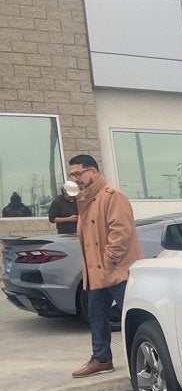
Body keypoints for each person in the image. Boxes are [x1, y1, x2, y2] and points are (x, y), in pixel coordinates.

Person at [67, 154, 143, 378]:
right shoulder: (86, 200)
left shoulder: (112, 196)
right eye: (72, 175)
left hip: (117, 271)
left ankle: (143, 359)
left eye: (79, 173)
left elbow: (121, 232)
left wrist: (109, 259)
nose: (75, 178)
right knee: (96, 315)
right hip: (94, 272)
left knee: (132, 317)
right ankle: (102, 359)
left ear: (94, 172)